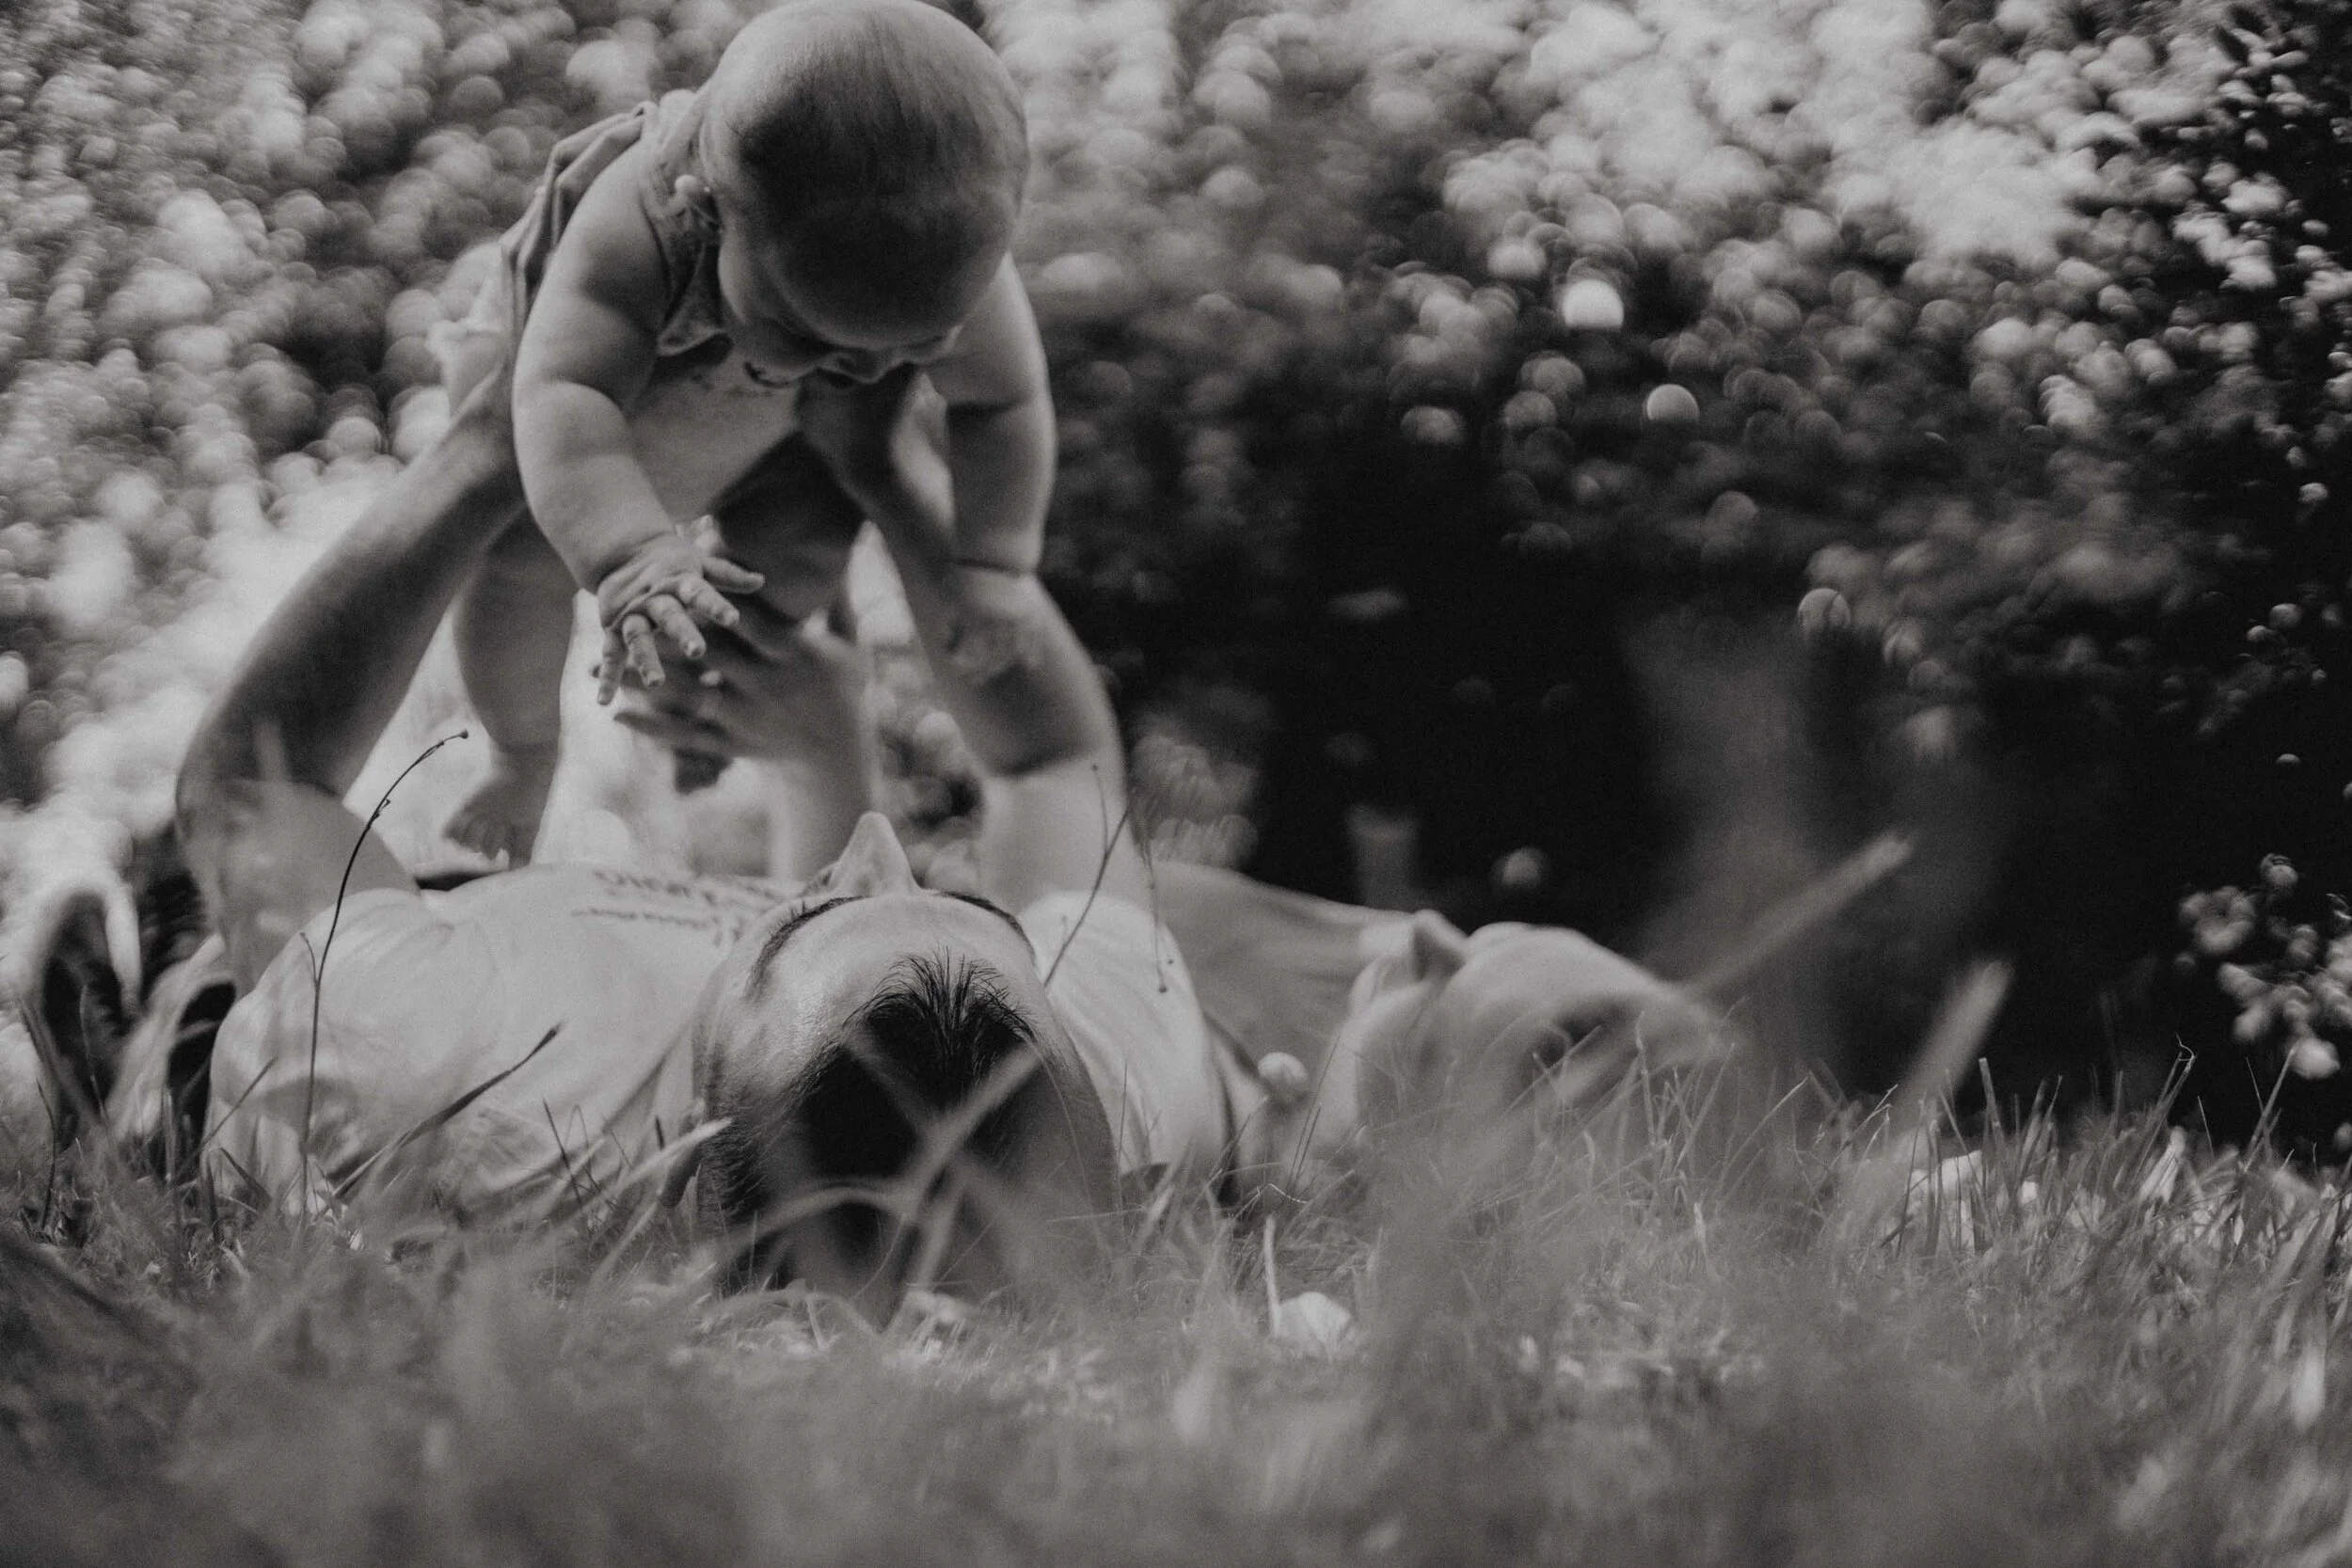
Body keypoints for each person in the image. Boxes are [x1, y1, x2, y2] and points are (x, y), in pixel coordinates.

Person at [437, 0, 1057, 863]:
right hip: (581, 425)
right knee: (515, 564)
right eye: (810, 335)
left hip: (769, 433)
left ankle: (700, 707)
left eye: (918, 346)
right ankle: (520, 754)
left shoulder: (946, 254)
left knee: (797, 556)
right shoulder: (639, 221)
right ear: (706, 213)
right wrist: (629, 552)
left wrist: (995, 567)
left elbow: (1005, 405)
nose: (867, 372)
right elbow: (566, 390)